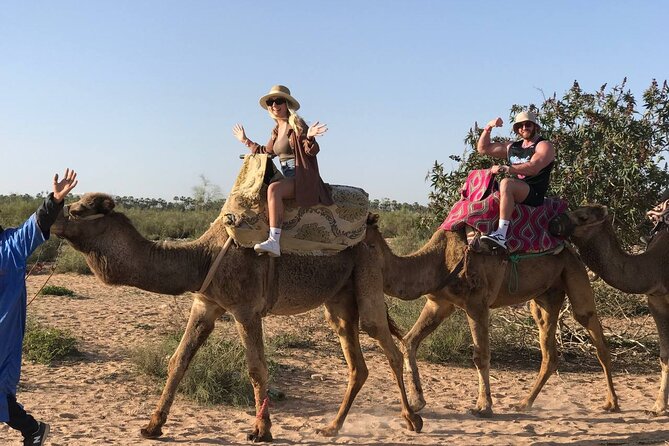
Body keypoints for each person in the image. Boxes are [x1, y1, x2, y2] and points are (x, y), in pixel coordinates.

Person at [1, 169, 78, 446]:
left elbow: (36, 225)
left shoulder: (11, 246)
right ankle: (32, 430)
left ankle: (32, 429)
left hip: (3, 336)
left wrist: (54, 200)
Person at [233, 85, 333, 257]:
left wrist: (310, 137)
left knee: (274, 189)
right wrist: (245, 141)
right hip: (287, 174)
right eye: (271, 102)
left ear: (286, 104)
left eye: (278, 101)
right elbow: (267, 152)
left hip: (301, 176)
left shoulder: (296, 124)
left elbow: (311, 150)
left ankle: (274, 241)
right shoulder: (276, 130)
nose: (274, 105)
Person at [476, 111, 555, 250]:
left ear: (535, 126)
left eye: (528, 124)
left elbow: (533, 168)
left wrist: (506, 168)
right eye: (520, 125)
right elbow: (483, 148)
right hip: (515, 191)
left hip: (533, 193)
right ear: (517, 129)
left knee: (506, 183)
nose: (524, 128)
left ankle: (501, 234)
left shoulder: (544, 145)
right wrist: (488, 127)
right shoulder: (513, 147)